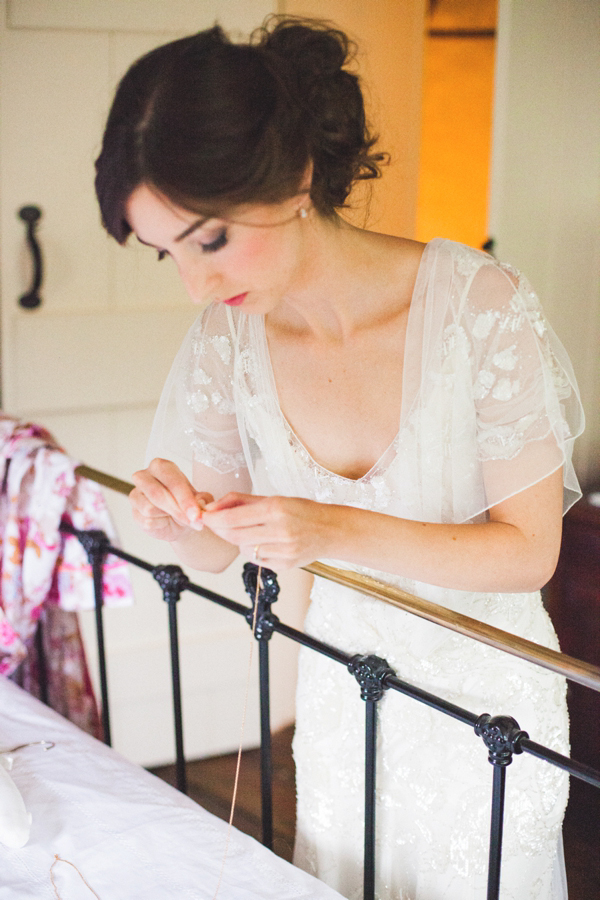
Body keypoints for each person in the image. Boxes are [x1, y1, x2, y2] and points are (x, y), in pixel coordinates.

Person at [94, 17, 584, 900]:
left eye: (209, 240)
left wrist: (326, 527)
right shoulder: (226, 339)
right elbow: (212, 550)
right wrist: (173, 513)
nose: (196, 284)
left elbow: (528, 552)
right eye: (166, 253)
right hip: (341, 695)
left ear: (296, 179)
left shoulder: (481, 307)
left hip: (487, 712)